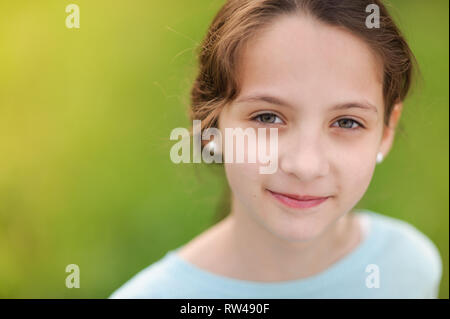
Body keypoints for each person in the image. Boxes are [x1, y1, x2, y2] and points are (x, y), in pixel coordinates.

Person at [109, 0, 442, 298]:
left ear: (386, 130)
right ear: (211, 126)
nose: (306, 165)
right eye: (268, 117)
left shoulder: (407, 267)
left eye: (347, 122)